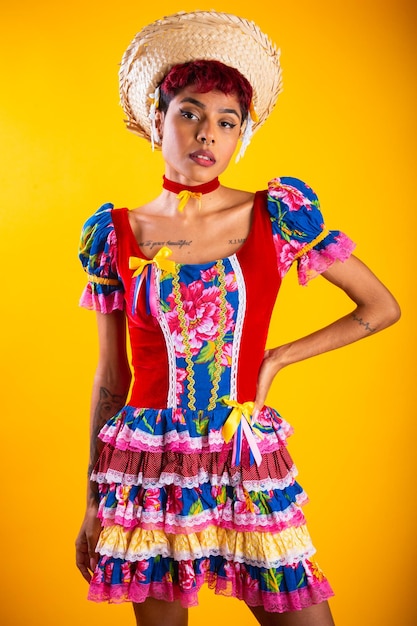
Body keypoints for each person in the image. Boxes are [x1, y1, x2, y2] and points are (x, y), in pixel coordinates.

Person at [75, 10, 400, 626]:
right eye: (190, 113)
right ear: (157, 118)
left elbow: (381, 307)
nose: (207, 134)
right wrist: (93, 501)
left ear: (240, 134)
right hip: (151, 466)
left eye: (227, 122)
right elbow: (110, 379)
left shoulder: (273, 214)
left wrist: (276, 359)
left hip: (242, 455)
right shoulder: (115, 233)